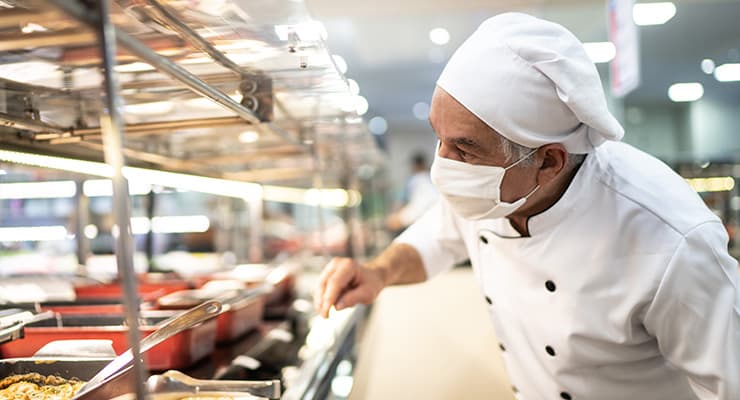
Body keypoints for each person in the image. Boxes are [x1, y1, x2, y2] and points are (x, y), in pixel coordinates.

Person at [314, 12, 739, 400]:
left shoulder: (670, 239)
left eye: (464, 148)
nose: (443, 163)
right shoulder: (483, 193)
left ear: (548, 161)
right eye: (438, 137)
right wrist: (378, 272)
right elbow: (436, 237)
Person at [385, 152, 438, 232]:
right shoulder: (431, 177)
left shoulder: (417, 180)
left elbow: (420, 205)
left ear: (416, 165)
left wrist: (400, 218)